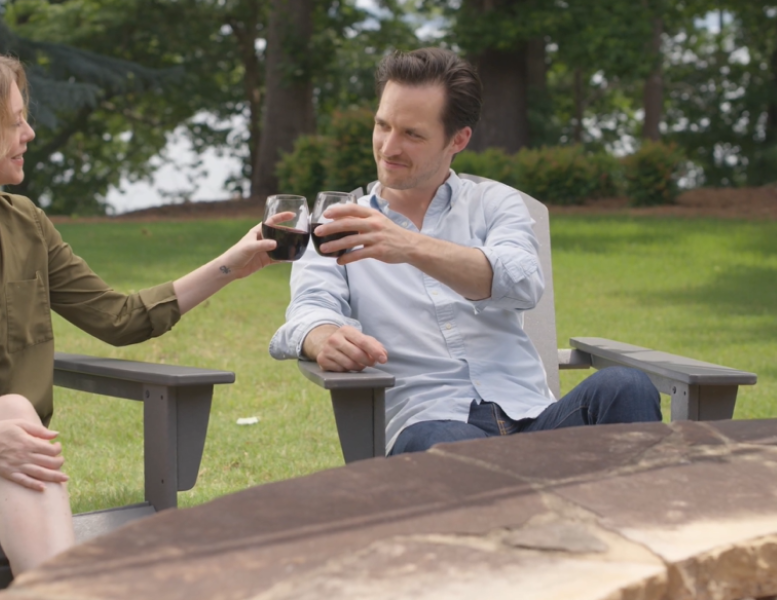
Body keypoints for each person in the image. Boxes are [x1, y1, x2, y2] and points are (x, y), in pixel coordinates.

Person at [0, 43, 280, 575]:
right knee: (15, 424)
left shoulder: (24, 225)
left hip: (6, 464)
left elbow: (120, 319)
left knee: (17, 437)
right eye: (14, 122)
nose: (28, 135)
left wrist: (234, 262)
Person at [269, 47, 660, 457]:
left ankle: (625, 515)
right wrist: (322, 338)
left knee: (626, 386)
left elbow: (521, 280)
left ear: (458, 139)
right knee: (455, 446)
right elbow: (310, 309)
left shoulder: (494, 204)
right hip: (430, 426)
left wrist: (409, 246)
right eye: (382, 125)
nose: (388, 147)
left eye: (412, 134)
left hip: (536, 424)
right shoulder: (337, 225)